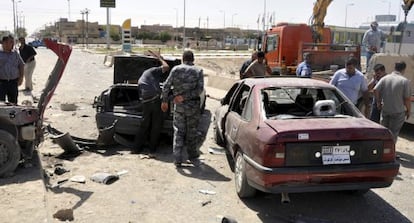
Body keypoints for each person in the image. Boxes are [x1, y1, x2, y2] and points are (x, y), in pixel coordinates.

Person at [161, 50, 204, 167]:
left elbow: (166, 85)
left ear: (182, 58)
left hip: (179, 107)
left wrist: (164, 100)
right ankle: (192, 156)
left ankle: (177, 158)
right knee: (192, 131)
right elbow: (199, 90)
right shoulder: (198, 71)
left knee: (178, 131)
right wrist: (185, 97)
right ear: (193, 59)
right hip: (193, 107)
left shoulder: (175, 70)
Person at [133, 51, 170, 157]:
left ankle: (136, 149)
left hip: (146, 101)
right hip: (154, 100)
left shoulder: (145, 75)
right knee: (156, 125)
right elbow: (166, 67)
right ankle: (152, 150)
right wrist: (160, 58)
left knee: (144, 125)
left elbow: (141, 92)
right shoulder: (153, 70)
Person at [374, 61, 411, 143]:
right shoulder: (404, 81)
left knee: (383, 131)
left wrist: (378, 102)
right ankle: (390, 151)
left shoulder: (385, 78)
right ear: (404, 69)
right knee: (393, 133)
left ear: (394, 67)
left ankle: (382, 149)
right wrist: (408, 110)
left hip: (386, 109)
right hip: (398, 112)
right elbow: (407, 98)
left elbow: (375, 89)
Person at [0, 35, 24, 104]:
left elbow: (21, 65)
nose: (9, 44)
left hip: (13, 82)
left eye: (11, 42)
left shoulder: (15, 54)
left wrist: (21, 78)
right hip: (1, 83)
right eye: (7, 42)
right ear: (3, 43)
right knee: (1, 104)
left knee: (13, 103)